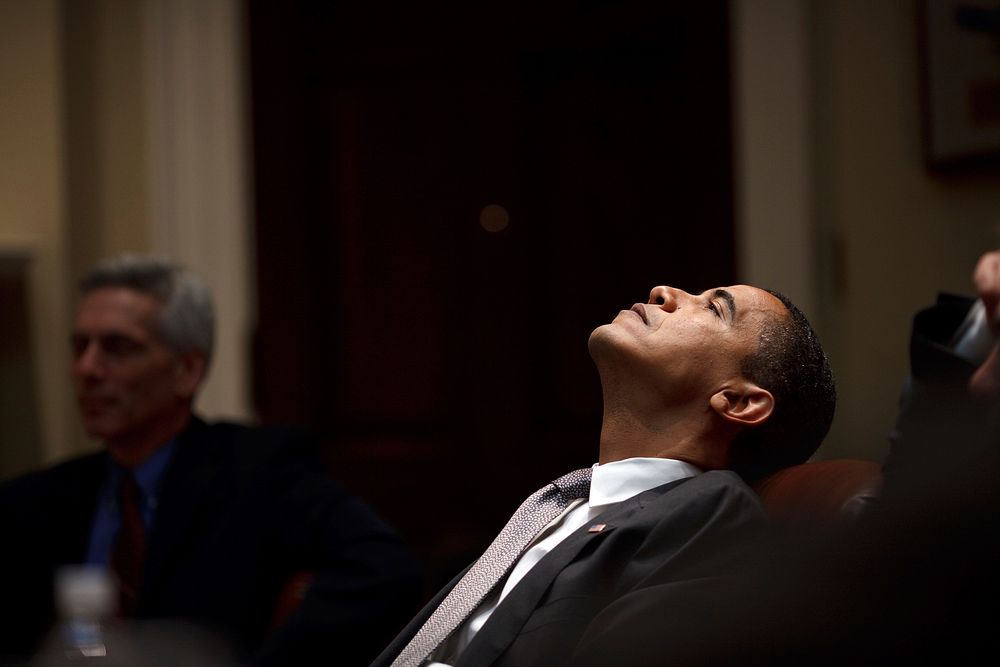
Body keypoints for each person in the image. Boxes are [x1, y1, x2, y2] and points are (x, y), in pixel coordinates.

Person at [371, 283, 836, 667]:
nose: (664, 292)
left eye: (714, 308)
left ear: (738, 401)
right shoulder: (562, 504)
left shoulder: (712, 513)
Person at [0, 254, 420, 666]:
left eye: (118, 348)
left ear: (187, 371)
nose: (87, 369)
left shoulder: (258, 470)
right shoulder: (38, 498)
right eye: (80, 347)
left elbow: (385, 568)